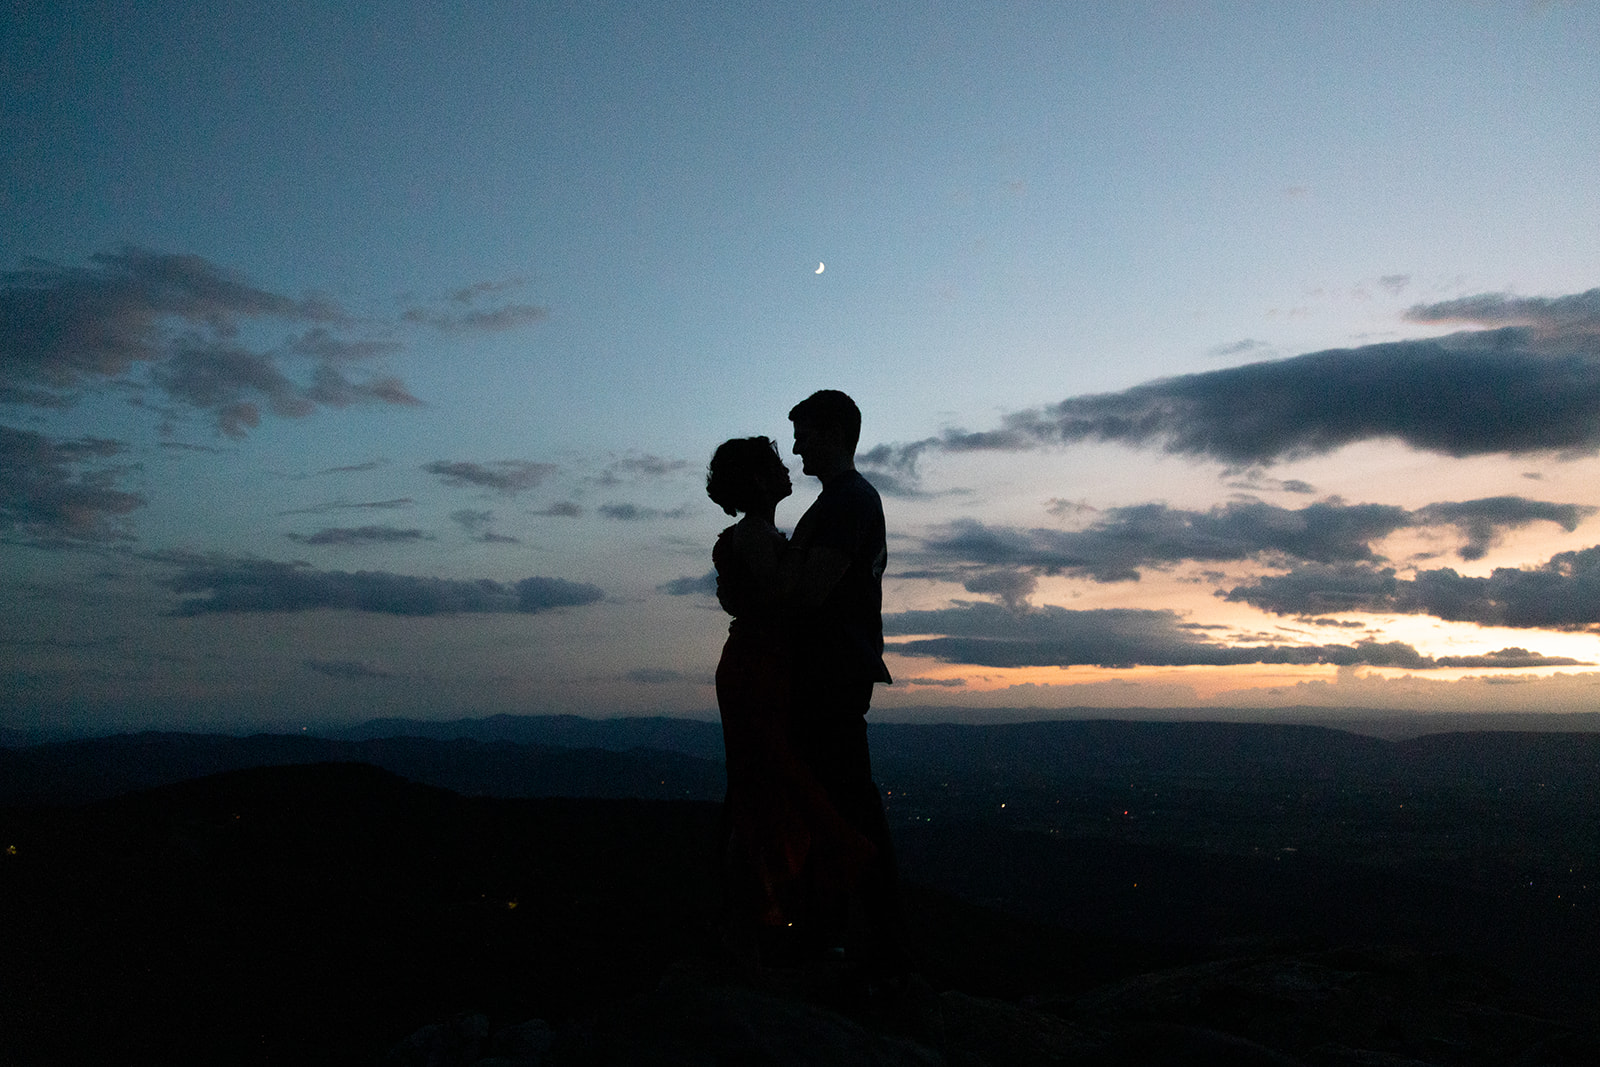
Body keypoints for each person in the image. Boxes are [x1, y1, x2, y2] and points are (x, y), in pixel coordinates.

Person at [706, 436, 875, 958]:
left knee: (767, 779)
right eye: (776, 463)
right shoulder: (755, 534)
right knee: (769, 777)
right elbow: (786, 596)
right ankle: (767, 915)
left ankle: (771, 913)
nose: (787, 468)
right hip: (758, 668)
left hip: (763, 664)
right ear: (758, 480)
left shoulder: (759, 533)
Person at [782, 390, 909, 975]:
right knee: (839, 802)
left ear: (834, 433)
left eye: (805, 433)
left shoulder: (846, 503)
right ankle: (851, 935)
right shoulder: (847, 501)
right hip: (834, 671)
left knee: (844, 806)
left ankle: (869, 941)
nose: (797, 445)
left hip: (829, 675)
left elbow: (810, 595)